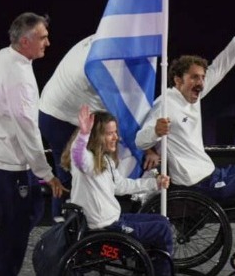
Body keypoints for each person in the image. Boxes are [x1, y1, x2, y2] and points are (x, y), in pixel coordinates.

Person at [135, 4, 235, 270]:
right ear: (177, 79)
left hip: (212, 173)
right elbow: (140, 140)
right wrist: (154, 134)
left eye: (202, 78)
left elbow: (222, 65)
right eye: (194, 77)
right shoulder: (165, 104)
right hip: (199, 185)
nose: (201, 82)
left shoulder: (193, 96)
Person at [0, 12, 67, 276]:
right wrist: (47, 173)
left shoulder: (5, 55)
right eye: (43, 38)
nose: (48, 43)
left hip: (1, 152)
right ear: (25, 41)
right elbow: (27, 130)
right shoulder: (19, 77)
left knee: (31, 211)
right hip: (9, 161)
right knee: (17, 226)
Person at [39, 35, 161, 221]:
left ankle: (71, 225)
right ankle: (66, 230)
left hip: (52, 108)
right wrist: (148, 149)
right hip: (62, 119)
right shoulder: (105, 68)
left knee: (80, 174)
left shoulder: (106, 37)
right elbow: (125, 119)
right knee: (73, 178)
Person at [61, 105, 174, 275]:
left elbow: (120, 186)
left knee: (162, 221)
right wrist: (83, 134)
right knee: (162, 230)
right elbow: (77, 156)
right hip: (105, 228)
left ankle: (148, 267)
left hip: (114, 219)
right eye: (110, 133)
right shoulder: (87, 163)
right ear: (97, 137)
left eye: (115, 132)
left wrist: (154, 183)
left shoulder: (105, 161)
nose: (116, 137)